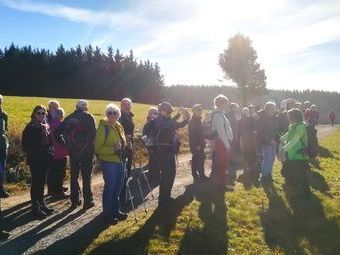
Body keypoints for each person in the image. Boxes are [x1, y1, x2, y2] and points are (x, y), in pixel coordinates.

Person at [55, 100, 96, 209]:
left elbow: (56, 133)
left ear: (76, 106)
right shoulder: (89, 117)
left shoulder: (69, 118)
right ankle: (87, 201)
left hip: (73, 153)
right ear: (86, 107)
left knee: (74, 176)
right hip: (86, 152)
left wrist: (65, 145)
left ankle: (74, 200)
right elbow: (93, 135)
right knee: (86, 177)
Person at [147, 102, 190, 206]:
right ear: (161, 111)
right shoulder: (156, 121)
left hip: (169, 151)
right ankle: (163, 199)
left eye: (171, 111)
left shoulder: (165, 120)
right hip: (162, 152)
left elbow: (171, 122)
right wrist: (184, 118)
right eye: (168, 111)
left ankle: (167, 196)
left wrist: (182, 116)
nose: (170, 113)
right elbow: (170, 124)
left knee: (171, 174)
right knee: (166, 175)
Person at [95, 103, 128, 225]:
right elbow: (98, 148)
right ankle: (107, 214)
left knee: (118, 187)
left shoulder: (119, 126)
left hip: (120, 161)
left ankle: (116, 211)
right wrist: (113, 149)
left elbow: (122, 143)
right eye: (109, 113)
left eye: (115, 113)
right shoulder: (103, 128)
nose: (112, 115)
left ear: (118, 115)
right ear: (106, 114)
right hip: (109, 163)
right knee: (110, 188)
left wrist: (126, 148)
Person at [22, 105, 54, 219]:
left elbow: (50, 142)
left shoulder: (44, 127)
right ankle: (35, 208)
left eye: (43, 113)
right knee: (36, 183)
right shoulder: (30, 127)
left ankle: (42, 204)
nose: (41, 115)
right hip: (36, 160)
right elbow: (26, 145)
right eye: (39, 113)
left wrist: (50, 151)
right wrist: (39, 151)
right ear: (34, 114)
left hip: (45, 159)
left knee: (41, 182)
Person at [278, 108, 311, 200]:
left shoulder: (300, 127)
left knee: (302, 176)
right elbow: (288, 135)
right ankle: (295, 192)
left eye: (289, 116)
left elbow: (294, 141)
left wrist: (283, 150)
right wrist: (281, 138)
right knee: (287, 172)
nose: (288, 118)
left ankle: (306, 196)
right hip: (292, 155)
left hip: (300, 156)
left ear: (295, 117)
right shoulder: (292, 126)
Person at [211, 95, 233, 190]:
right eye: (225, 103)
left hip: (222, 142)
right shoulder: (218, 115)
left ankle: (221, 183)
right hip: (222, 143)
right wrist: (227, 145)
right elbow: (221, 132)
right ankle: (221, 185)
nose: (227, 105)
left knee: (223, 163)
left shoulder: (221, 114)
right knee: (222, 163)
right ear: (221, 103)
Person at [48, 108, 68, 199]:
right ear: (61, 116)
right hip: (60, 152)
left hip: (52, 151)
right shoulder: (60, 125)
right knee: (60, 173)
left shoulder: (50, 124)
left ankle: (53, 190)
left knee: (54, 172)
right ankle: (59, 192)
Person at [256, 102, 278, 182]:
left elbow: (274, 129)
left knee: (272, 159)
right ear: (268, 109)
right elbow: (259, 131)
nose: (275, 109)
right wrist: (269, 140)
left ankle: (269, 174)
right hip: (265, 142)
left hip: (273, 141)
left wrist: (276, 139)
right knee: (267, 159)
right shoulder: (262, 117)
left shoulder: (273, 117)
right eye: (273, 108)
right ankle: (264, 176)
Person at [119, 98, 135, 201]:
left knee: (127, 171)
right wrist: (126, 139)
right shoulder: (119, 116)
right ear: (121, 105)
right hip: (123, 147)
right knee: (123, 172)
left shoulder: (129, 116)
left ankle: (123, 195)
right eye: (124, 104)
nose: (126, 106)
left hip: (129, 146)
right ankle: (123, 197)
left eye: (128, 104)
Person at [188, 104, 207, 183]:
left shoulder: (198, 120)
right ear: (194, 111)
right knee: (199, 159)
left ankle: (196, 175)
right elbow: (193, 135)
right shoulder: (193, 121)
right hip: (196, 145)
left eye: (201, 110)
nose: (201, 111)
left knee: (196, 159)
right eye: (199, 110)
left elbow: (201, 132)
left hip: (199, 144)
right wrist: (197, 145)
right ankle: (201, 176)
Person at [142, 107, 160, 184]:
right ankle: (152, 179)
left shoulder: (159, 124)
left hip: (159, 147)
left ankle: (157, 178)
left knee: (158, 163)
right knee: (153, 163)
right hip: (152, 147)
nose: (155, 115)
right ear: (149, 115)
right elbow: (144, 137)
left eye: (156, 113)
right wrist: (150, 147)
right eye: (153, 113)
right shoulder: (147, 125)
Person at [238, 107, 257, 176]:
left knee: (246, 154)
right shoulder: (252, 119)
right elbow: (255, 130)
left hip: (245, 139)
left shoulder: (240, 120)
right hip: (251, 140)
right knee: (251, 153)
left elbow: (239, 132)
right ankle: (251, 169)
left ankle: (246, 169)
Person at [0, 95, 10, 198]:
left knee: (1, 168)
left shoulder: (4, 115)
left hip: (2, 145)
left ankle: (1, 189)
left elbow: (5, 129)